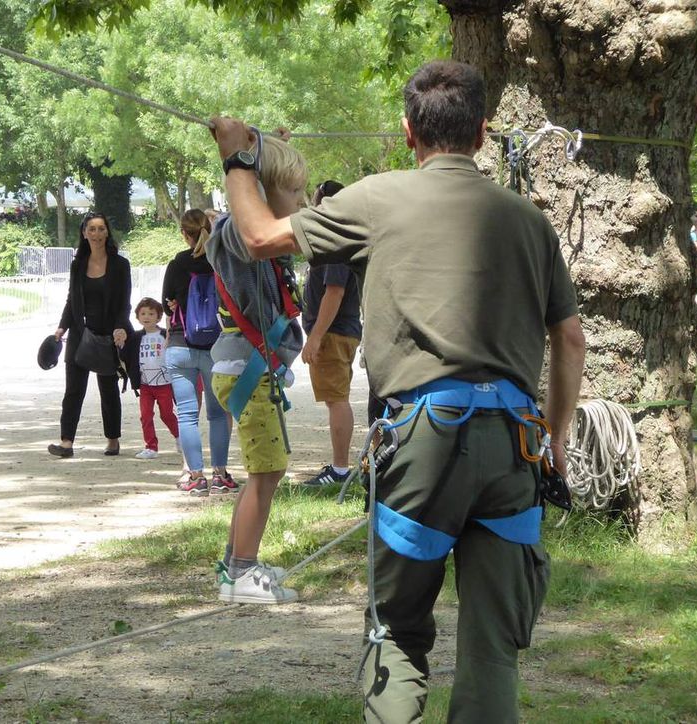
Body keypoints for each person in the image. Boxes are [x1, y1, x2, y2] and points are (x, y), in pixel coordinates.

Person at [209, 59, 586, 723]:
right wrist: (554, 439)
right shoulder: (530, 221)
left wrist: (240, 157)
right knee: (494, 646)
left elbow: (260, 236)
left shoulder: (376, 198)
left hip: (420, 445)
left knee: (399, 631)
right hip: (514, 448)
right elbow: (571, 340)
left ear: (409, 131)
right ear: (484, 132)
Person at [206, 135, 307, 604]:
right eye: (296, 193)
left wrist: (270, 155)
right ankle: (244, 573)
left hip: (252, 367)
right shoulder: (238, 236)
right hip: (248, 368)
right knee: (266, 473)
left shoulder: (263, 241)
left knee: (265, 472)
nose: (304, 204)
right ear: (264, 195)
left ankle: (235, 566)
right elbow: (244, 230)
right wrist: (244, 166)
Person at [162, 209, 236, 494]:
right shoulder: (222, 260)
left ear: (184, 233)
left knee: (187, 415)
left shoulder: (177, 264)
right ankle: (220, 474)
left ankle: (195, 476)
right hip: (216, 348)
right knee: (218, 415)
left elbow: (166, 301)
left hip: (181, 345)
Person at [49, 212, 132, 457]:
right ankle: (66, 442)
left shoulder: (120, 265)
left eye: (101, 229)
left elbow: (124, 303)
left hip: (108, 334)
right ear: (84, 233)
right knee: (73, 390)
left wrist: (120, 327)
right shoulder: (77, 264)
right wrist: (62, 327)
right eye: (91, 229)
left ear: (107, 232)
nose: (96, 234)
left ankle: (113, 440)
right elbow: (70, 300)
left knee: (108, 389)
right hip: (79, 333)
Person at [299, 180, 363, 487]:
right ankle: (341, 466)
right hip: (338, 332)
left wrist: (315, 336)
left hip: (333, 333)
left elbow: (334, 293)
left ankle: (340, 469)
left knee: (337, 400)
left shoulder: (336, 242)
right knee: (335, 399)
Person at [122, 297, 179, 459]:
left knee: (167, 414)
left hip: (164, 383)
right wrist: (120, 343)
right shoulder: (135, 337)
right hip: (145, 384)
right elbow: (126, 356)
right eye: (143, 313)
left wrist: (169, 332)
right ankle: (151, 447)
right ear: (138, 316)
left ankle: (180, 437)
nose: (147, 317)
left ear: (159, 316)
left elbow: (172, 349)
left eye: (151, 313)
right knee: (146, 415)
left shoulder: (164, 334)